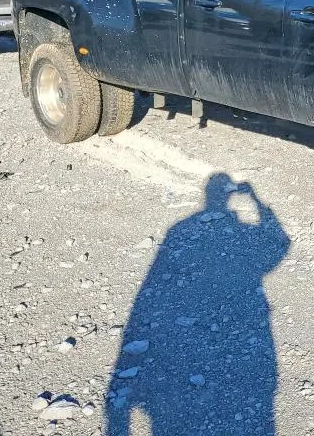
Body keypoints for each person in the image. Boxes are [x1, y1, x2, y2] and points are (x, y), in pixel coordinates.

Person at [107, 173, 289, 436]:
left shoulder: (181, 229)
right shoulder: (194, 229)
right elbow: (280, 246)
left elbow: (153, 281)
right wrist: (257, 202)